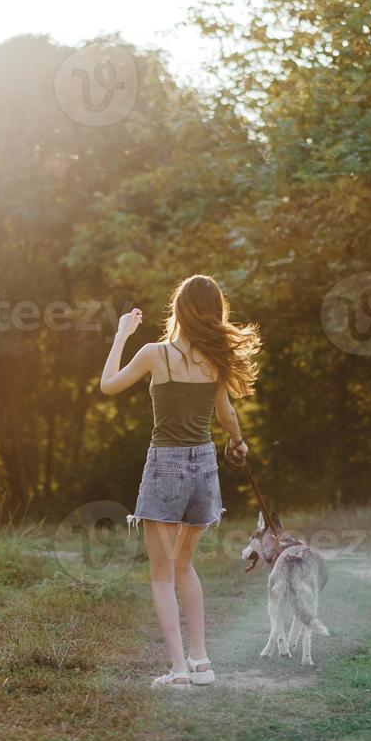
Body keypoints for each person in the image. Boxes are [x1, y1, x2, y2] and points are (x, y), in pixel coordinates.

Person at [99, 274, 260, 688]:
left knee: (160, 574)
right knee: (185, 565)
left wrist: (121, 335)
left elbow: (108, 385)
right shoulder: (215, 361)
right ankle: (202, 662)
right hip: (205, 466)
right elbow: (226, 416)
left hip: (166, 466)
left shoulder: (156, 354)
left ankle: (178, 671)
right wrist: (238, 444)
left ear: (180, 310)